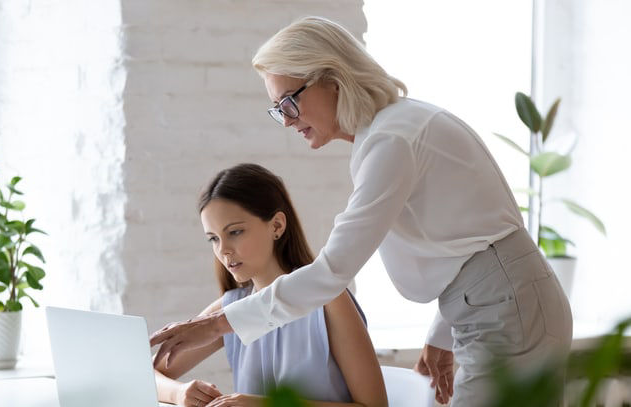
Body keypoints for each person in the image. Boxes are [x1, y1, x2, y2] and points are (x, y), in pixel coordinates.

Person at [151, 17, 573, 407]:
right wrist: (442, 332)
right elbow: (467, 245)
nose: (286, 121)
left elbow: (331, 272)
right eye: (277, 109)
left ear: (331, 79)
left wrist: (213, 326)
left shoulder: (392, 140)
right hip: (498, 302)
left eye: (289, 103)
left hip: (508, 307)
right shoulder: (389, 133)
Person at [153, 163, 388, 407]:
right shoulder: (230, 307)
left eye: (235, 232)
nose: (223, 250)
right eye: (213, 238)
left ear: (277, 226)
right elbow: (147, 374)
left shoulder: (329, 299)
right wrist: (179, 393)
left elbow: (376, 406)